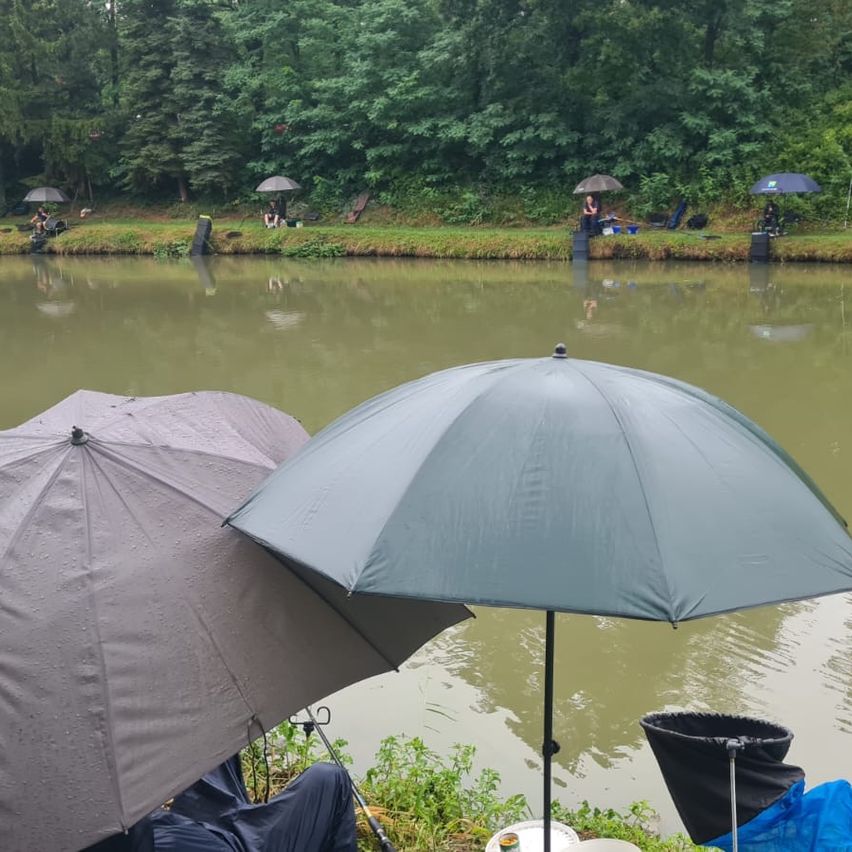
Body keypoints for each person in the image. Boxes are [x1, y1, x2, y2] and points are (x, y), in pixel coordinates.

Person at [84, 757, 358, 852]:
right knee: (330, 778)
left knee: (210, 741)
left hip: (186, 823)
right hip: (239, 845)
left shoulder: (59, 818)